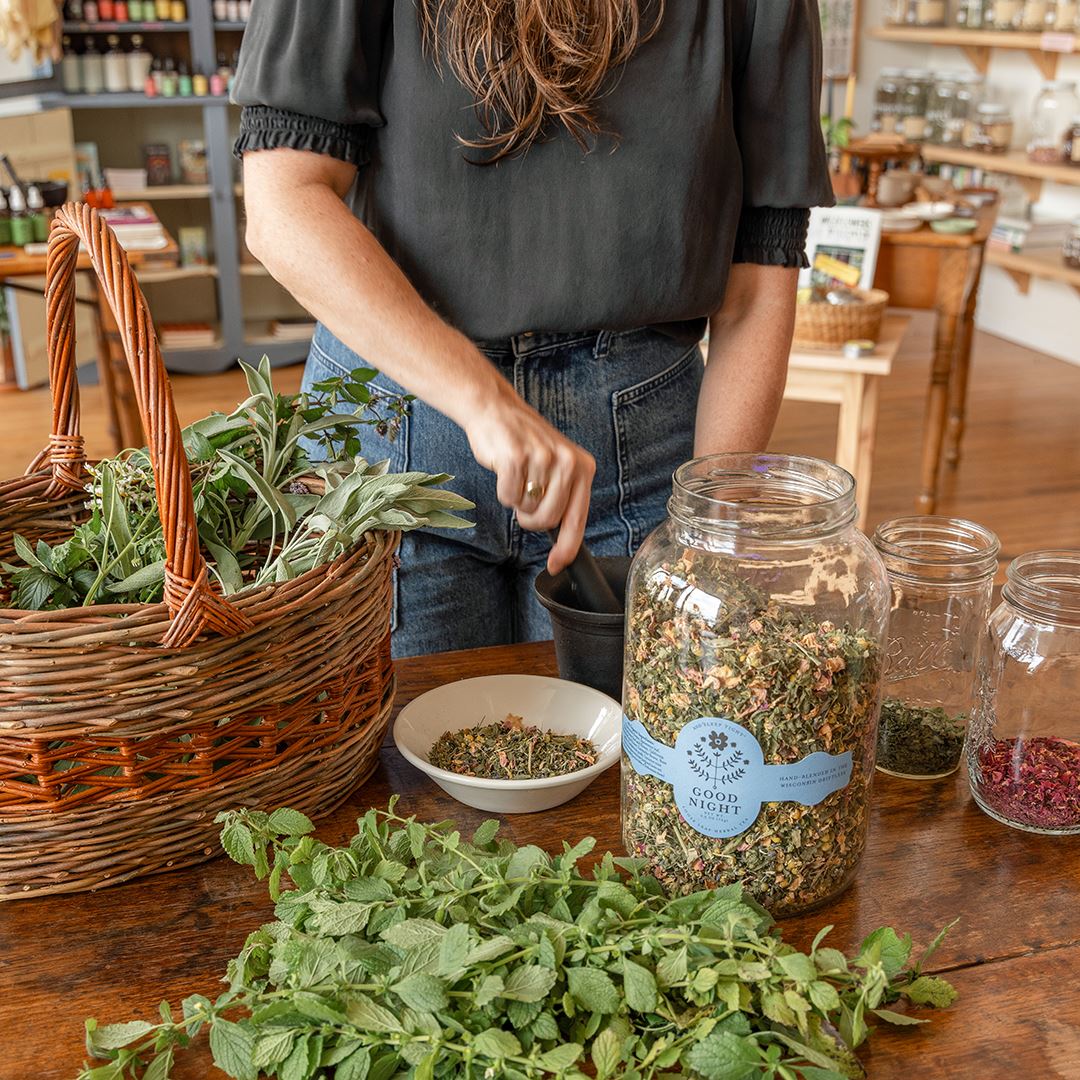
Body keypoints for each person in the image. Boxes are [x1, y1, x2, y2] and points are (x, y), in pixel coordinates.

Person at [232, 0, 833, 657]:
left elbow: (755, 291)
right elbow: (283, 204)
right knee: (389, 750)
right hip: (390, 438)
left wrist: (708, 525)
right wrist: (482, 403)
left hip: (650, 459)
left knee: (634, 753)